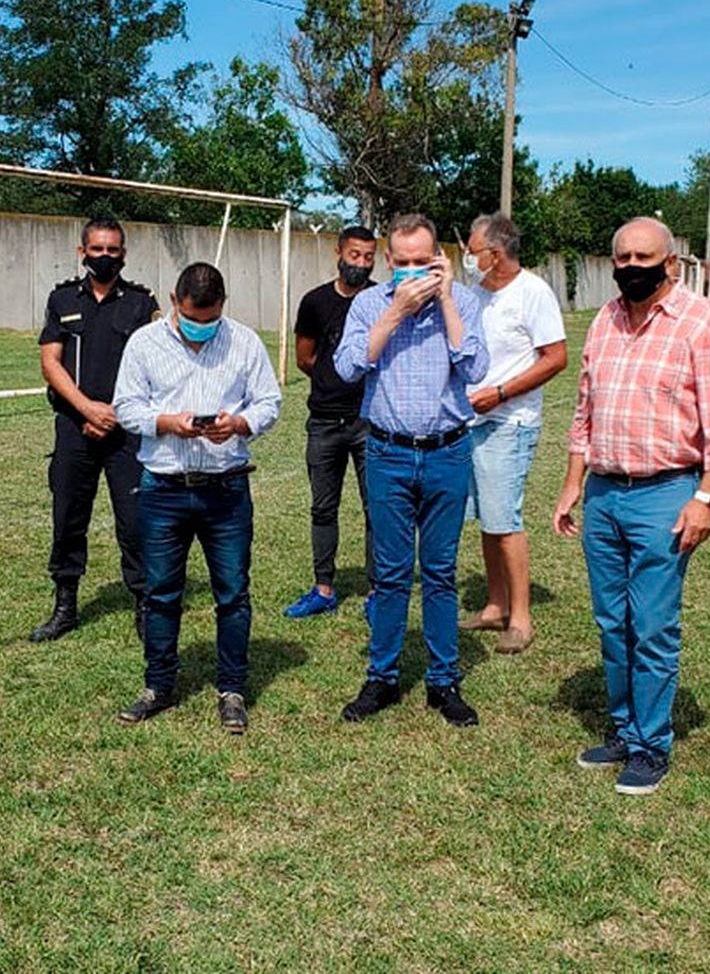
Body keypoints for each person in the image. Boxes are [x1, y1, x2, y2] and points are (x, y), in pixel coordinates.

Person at [554, 217, 710, 794]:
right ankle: (623, 728)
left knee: (653, 626)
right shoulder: (605, 321)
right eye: (623, 258)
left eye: (645, 257)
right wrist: (572, 485)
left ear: (672, 264)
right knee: (613, 622)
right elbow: (584, 414)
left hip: (667, 493)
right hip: (605, 493)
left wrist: (706, 497)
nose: (632, 267)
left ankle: (651, 744)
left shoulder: (703, 324)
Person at [111, 262, 282, 734]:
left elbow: (269, 401)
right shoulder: (144, 344)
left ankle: (232, 689)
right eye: (192, 319)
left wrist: (240, 423)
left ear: (223, 307)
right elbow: (126, 405)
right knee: (161, 592)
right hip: (163, 488)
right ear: (173, 300)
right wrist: (167, 422)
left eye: (209, 321)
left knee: (233, 593)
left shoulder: (244, 341)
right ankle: (158, 685)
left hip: (226, 489)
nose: (201, 329)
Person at [333, 213, 489, 728]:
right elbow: (348, 367)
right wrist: (393, 314)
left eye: (423, 262)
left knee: (440, 574)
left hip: (447, 452)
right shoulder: (368, 305)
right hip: (388, 453)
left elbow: (476, 369)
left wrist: (445, 300)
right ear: (387, 261)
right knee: (393, 572)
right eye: (402, 264)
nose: (412, 272)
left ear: (439, 259)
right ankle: (382, 675)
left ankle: (444, 680)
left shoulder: (464, 302)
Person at [30, 218, 159, 643]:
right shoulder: (62, 297)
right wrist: (86, 409)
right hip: (74, 427)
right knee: (68, 517)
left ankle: (144, 603)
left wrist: (117, 413)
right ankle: (65, 605)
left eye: (113, 250)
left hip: (126, 431)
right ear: (82, 251)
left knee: (135, 521)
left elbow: (153, 369)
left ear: (124, 254)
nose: (105, 257)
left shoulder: (142, 304)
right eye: (98, 249)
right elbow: (51, 362)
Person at [458, 212, 567, 654]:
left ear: (495, 253)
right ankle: (496, 605)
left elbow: (555, 357)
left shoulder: (533, 293)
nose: (467, 256)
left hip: (509, 421)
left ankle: (521, 618)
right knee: (487, 518)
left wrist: (500, 393)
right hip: (472, 422)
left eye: (471, 249)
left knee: (506, 520)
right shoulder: (475, 293)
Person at [283, 225, 379, 622]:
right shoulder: (315, 302)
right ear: (338, 252)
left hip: (369, 421)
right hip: (324, 421)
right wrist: (331, 381)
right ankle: (323, 588)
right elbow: (305, 358)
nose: (360, 263)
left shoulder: (380, 301)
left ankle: (378, 591)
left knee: (378, 508)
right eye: (354, 255)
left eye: (369, 257)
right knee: (323, 507)